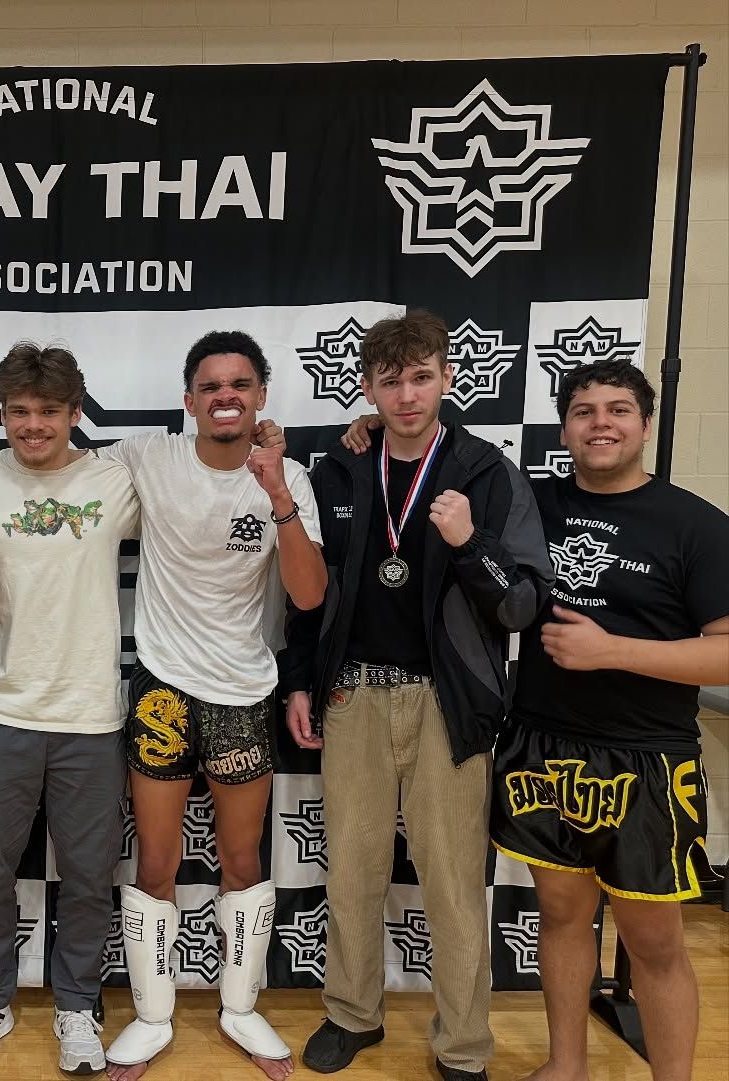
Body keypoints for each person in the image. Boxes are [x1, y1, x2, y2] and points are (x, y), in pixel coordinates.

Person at [280, 310, 552, 1081]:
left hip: (449, 704)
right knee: (353, 871)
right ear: (366, 387)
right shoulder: (337, 468)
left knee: (454, 883)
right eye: (391, 381)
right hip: (354, 695)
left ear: (449, 378)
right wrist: (301, 677)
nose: (407, 395)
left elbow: (522, 604)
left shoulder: (487, 473)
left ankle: (464, 1045)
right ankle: (352, 1014)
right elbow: (311, 597)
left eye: (422, 376)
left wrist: (472, 545)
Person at [485, 360, 727, 1081]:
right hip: (541, 740)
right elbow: (441, 459)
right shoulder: (532, 500)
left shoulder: (697, 523)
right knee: (560, 916)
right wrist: (372, 427)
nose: (601, 423)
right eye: (585, 410)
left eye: (618, 409)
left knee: (653, 942)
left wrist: (612, 649)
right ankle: (568, 1064)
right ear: (565, 428)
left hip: (647, 757)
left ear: (645, 424)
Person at [98, 331, 326, 1081]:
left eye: (240, 383)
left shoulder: (288, 475)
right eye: (210, 385)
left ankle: (239, 1005)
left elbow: (308, 594)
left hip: (243, 692)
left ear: (261, 394)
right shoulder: (148, 457)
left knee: (239, 858)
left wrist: (278, 493)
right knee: (157, 860)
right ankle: (155, 1015)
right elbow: (52, 475)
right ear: (189, 399)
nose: (225, 395)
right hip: (163, 689)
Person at [0, 342, 140, 1076]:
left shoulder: (116, 479)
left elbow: (210, 470)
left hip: (91, 715)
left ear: (74, 412)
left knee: (88, 875)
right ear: (3, 413)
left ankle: (78, 1004)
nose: (33, 424)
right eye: (19, 411)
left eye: (48, 410)